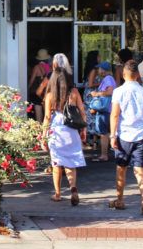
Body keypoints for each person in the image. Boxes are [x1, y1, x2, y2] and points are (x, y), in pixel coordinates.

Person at [109, 60, 143, 216]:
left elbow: (115, 115)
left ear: (123, 74)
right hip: (140, 135)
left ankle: (120, 199)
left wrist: (112, 135)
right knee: (140, 170)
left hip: (123, 135)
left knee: (121, 169)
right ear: (138, 75)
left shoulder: (118, 92)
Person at [42, 53, 86, 206]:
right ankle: (73, 188)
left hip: (57, 128)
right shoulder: (73, 92)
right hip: (71, 129)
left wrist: (43, 136)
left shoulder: (50, 96)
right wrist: (83, 130)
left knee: (56, 164)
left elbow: (47, 117)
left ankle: (58, 193)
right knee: (71, 163)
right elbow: (82, 110)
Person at [89, 61, 116, 162]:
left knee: (104, 133)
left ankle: (104, 155)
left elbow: (110, 91)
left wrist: (96, 94)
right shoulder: (109, 79)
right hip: (108, 109)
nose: (98, 70)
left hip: (105, 110)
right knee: (108, 132)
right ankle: (109, 153)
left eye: (100, 68)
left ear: (104, 70)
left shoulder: (108, 79)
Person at [29, 48, 52, 122]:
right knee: (47, 113)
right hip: (46, 92)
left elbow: (32, 80)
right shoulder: (49, 67)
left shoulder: (36, 67)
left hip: (37, 92)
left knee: (38, 116)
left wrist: (28, 88)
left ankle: (40, 132)